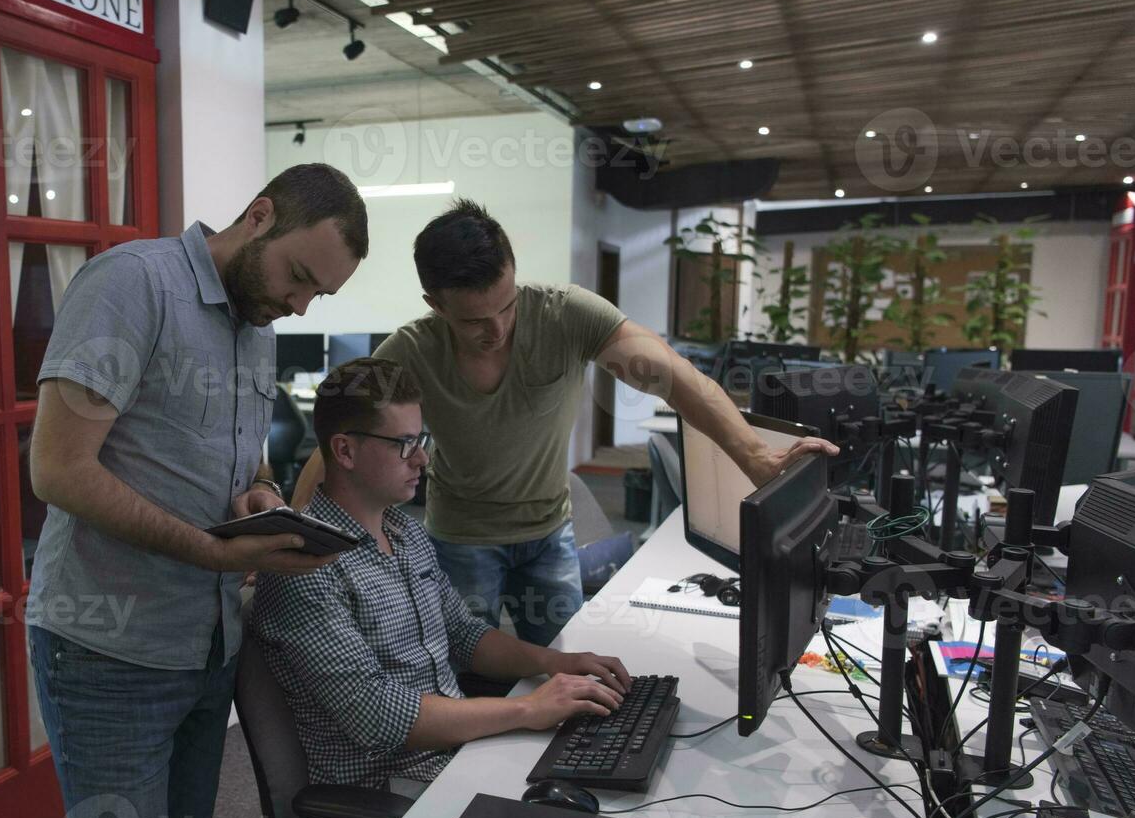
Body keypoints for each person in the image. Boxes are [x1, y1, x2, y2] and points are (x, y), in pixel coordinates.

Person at [25, 164, 367, 818]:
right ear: (258, 215)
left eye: (319, 295)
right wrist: (213, 551)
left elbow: (248, 456)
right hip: (106, 650)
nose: (298, 304)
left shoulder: (257, 320)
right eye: (298, 276)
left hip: (207, 646)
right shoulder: (132, 285)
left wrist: (264, 494)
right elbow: (57, 471)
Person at [293, 199, 836, 646]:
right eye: (474, 321)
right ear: (434, 304)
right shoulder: (411, 351)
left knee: (561, 663)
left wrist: (754, 456)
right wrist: (295, 532)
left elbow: (677, 379)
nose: (498, 329)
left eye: (506, 307)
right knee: (465, 673)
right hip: (461, 537)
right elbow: (337, 445)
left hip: (550, 533)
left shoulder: (566, 316)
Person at [252, 358, 632, 794]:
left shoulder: (406, 532)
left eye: (422, 439)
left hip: (460, 755)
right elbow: (377, 715)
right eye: (404, 443)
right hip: (388, 792)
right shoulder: (304, 567)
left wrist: (554, 662)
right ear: (345, 451)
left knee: (609, 777)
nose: (421, 458)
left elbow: (464, 634)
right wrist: (528, 709)